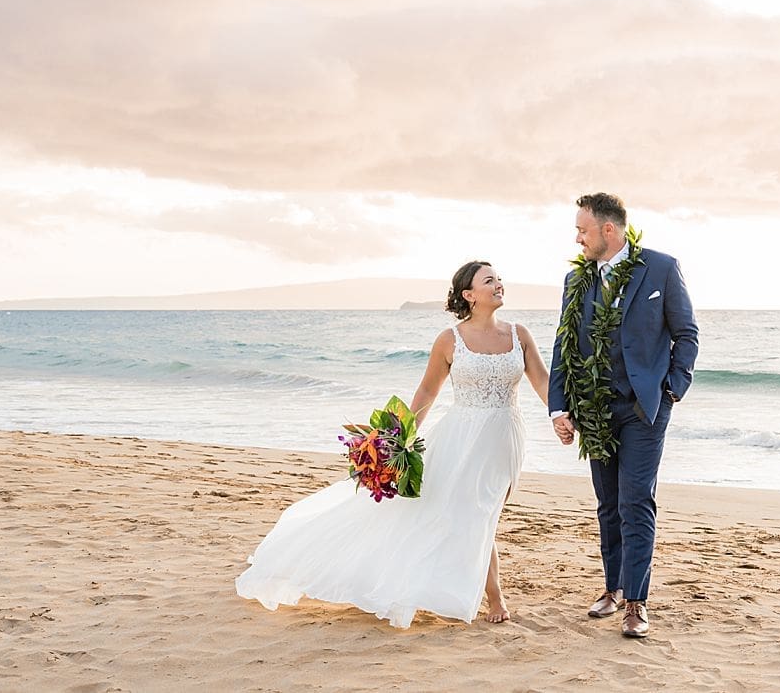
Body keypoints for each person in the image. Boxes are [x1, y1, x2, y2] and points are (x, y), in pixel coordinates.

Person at [236, 261, 550, 627]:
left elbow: (542, 381)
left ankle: (473, 587)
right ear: (469, 294)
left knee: (483, 512)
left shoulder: (519, 334)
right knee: (477, 514)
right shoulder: (450, 339)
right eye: (489, 280)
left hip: (506, 435)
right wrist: (397, 441)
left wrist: (561, 415)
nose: (499, 284)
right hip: (460, 437)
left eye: (499, 278)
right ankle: (494, 597)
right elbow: (428, 392)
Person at [548, 193, 698, 638]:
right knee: (608, 504)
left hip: (643, 410)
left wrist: (672, 389)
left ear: (607, 231)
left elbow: (686, 334)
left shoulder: (661, 268)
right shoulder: (576, 283)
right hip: (595, 410)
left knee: (636, 502)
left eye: (583, 230)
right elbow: (564, 347)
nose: (578, 238)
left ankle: (636, 602)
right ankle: (612, 588)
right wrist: (560, 406)